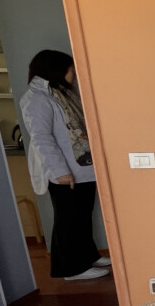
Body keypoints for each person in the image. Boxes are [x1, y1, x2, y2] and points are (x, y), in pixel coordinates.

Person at [20, 50, 110, 280]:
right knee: (68, 219)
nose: (74, 75)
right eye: (70, 70)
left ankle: (88, 256)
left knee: (82, 215)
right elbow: (41, 138)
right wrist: (60, 171)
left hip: (83, 167)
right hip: (65, 171)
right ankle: (71, 269)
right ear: (57, 70)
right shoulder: (37, 98)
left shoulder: (63, 94)